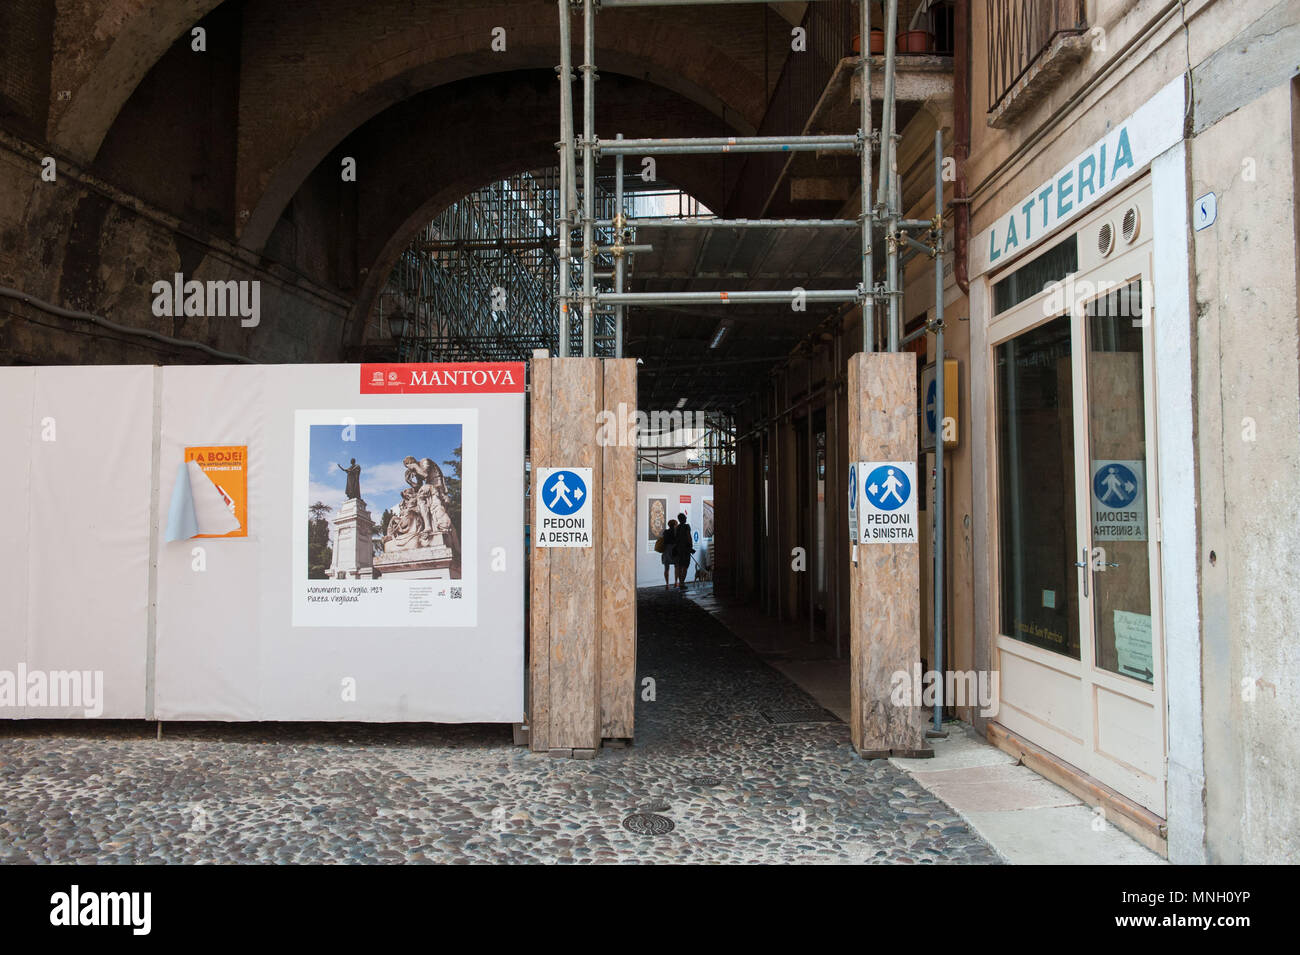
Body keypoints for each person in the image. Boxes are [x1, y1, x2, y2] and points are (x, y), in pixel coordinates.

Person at [673, 512, 694, 590]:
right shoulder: (686, 526)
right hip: (685, 549)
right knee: (685, 566)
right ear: (684, 519)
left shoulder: (677, 528)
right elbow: (689, 537)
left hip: (679, 549)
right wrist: (691, 546)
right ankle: (682, 583)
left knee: (680, 566)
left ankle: (681, 582)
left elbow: (676, 538)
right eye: (685, 518)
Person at [660, 519, 677, 589]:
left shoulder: (665, 532)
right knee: (676, 566)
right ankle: (676, 582)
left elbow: (664, 541)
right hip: (675, 550)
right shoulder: (676, 532)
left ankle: (667, 584)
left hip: (666, 550)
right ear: (675, 525)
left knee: (666, 568)